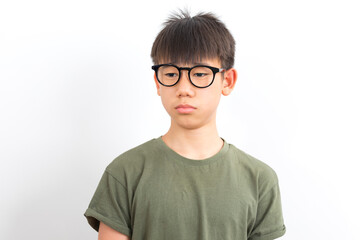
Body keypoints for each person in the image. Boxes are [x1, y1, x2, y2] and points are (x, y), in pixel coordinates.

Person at [84, 9, 286, 240]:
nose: (183, 89)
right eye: (170, 74)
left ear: (227, 81)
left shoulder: (260, 179)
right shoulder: (125, 172)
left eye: (200, 74)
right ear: (158, 83)